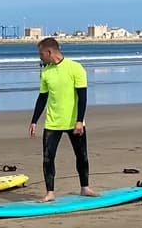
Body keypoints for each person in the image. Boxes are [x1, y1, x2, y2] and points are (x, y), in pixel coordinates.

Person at [30, 37, 95, 202]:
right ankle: (50, 192)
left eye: (41, 54)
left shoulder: (75, 68)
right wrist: (34, 120)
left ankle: (85, 187)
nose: (40, 57)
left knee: (82, 156)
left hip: (74, 122)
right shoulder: (45, 72)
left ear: (49, 52)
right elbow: (42, 98)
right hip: (53, 123)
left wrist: (79, 120)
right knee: (48, 157)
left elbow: (82, 97)